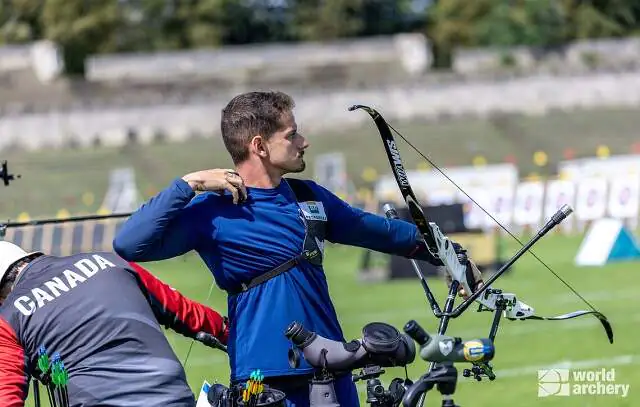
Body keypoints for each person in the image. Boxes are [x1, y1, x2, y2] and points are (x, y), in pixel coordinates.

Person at [112, 90, 483, 406]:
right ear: (259, 146)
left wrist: (451, 254)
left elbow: (380, 232)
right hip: (266, 381)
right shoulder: (211, 212)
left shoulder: (308, 196)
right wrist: (189, 184)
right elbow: (129, 243)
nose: (303, 141)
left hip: (332, 369)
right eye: (292, 135)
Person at [0, 241, 229, 407]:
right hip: (173, 397)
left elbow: (5, 398)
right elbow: (188, 313)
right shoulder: (110, 261)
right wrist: (238, 335)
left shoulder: (8, 317)